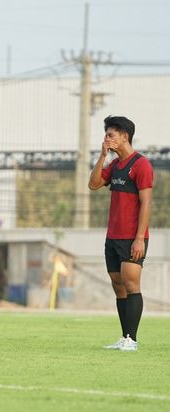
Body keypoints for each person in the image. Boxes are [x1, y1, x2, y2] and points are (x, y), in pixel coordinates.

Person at [88, 115, 153, 351]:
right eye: (105, 135)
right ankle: (124, 336)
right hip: (112, 236)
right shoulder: (114, 165)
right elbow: (93, 184)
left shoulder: (142, 164)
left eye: (110, 135)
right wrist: (103, 155)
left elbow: (146, 203)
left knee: (131, 283)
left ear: (124, 136)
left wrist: (139, 238)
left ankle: (132, 340)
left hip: (132, 237)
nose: (106, 138)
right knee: (118, 285)